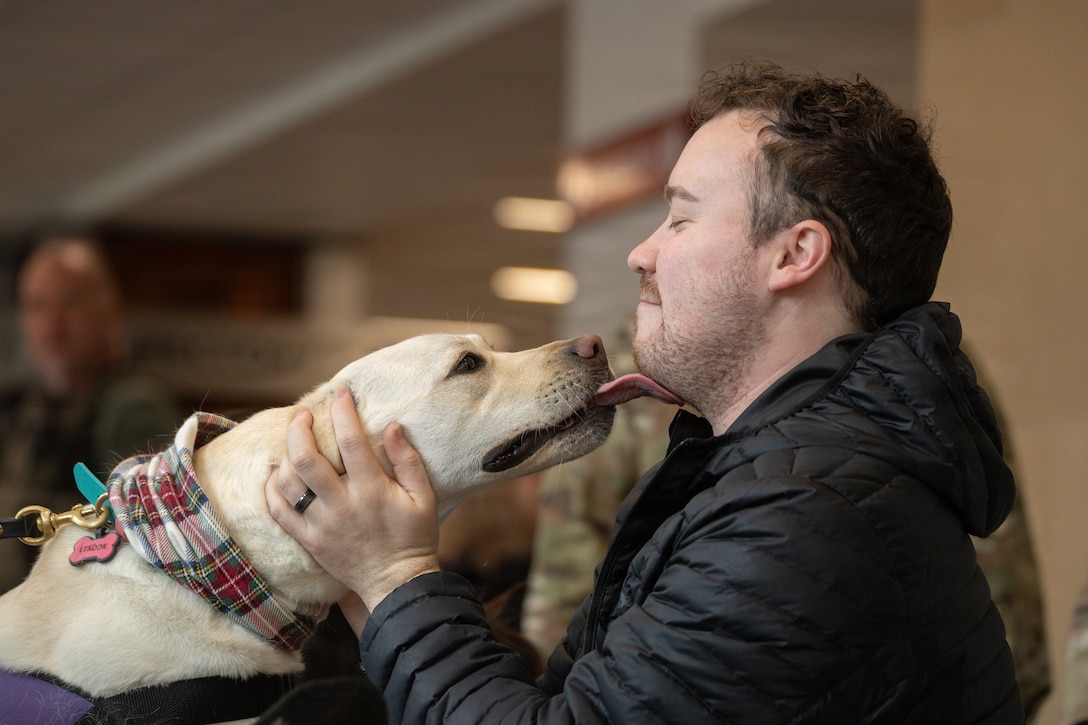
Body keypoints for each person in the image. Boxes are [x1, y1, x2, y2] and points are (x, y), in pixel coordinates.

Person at [266, 60, 1024, 722]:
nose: (642, 252)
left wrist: (398, 577)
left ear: (795, 254)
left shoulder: (808, 518)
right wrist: (375, 580)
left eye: (681, 219)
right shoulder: (763, 482)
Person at [0, 235, 183, 592]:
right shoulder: (20, 410)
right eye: (36, 306)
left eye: (68, 303)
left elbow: (147, 537)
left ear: (109, 310)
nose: (51, 324)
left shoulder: (133, 406)